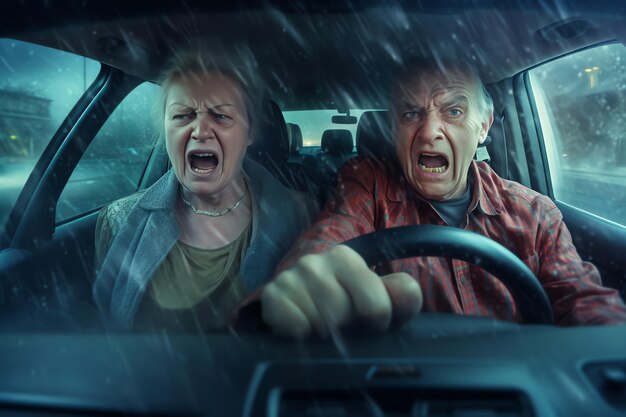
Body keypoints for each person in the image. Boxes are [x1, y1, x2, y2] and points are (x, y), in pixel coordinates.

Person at [258, 58, 626, 339]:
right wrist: (303, 289)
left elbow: (585, 304)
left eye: (453, 111)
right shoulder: (367, 185)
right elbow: (328, 239)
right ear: (394, 131)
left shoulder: (535, 214)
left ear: (483, 126)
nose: (430, 131)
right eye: (411, 113)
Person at [93, 51, 317, 332]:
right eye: (183, 115)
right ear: (165, 131)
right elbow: (106, 330)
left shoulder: (303, 216)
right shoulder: (117, 221)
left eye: (221, 116)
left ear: (250, 134)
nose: (200, 131)